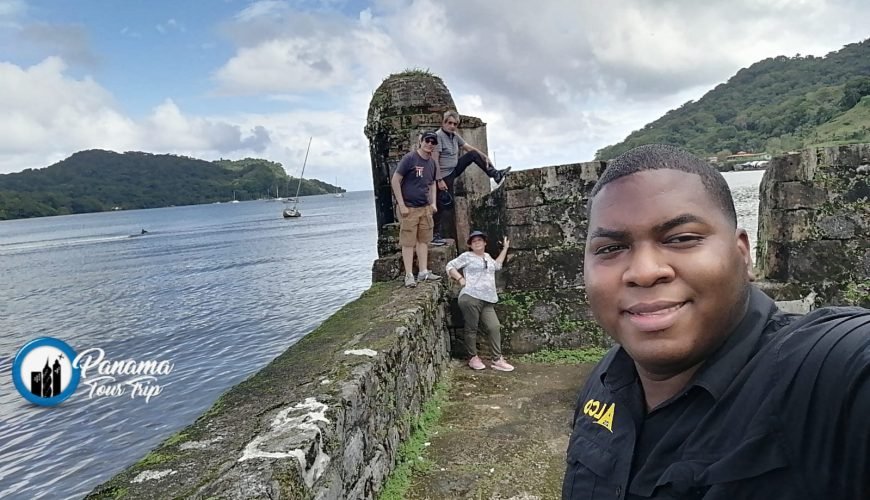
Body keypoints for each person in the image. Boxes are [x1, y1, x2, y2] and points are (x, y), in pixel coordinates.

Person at [563, 144, 869, 499]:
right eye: (611, 248)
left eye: (682, 239)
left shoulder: (823, 375)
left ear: (742, 253)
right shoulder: (604, 382)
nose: (644, 272)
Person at [432, 110, 512, 244]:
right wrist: (439, 180)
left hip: (454, 169)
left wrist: (484, 156)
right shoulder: (438, 136)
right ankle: (435, 235)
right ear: (444, 123)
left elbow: (468, 148)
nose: (452, 126)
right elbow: (434, 160)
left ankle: (495, 174)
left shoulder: (454, 136)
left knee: (473, 155)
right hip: (444, 175)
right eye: (449, 123)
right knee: (445, 205)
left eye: (455, 124)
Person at [445, 230, 515, 372]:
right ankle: (473, 357)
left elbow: (497, 266)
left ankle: (497, 359)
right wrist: (460, 279)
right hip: (471, 296)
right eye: (474, 241)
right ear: (470, 245)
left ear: (485, 243)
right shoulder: (467, 256)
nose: (477, 243)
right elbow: (450, 266)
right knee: (472, 327)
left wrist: (505, 248)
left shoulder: (488, 257)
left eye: (479, 240)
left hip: (487, 298)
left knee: (494, 327)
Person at [391, 131, 443, 288]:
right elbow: (395, 180)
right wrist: (401, 204)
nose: (430, 144)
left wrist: (433, 203)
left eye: (433, 141)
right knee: (408, 242)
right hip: (409, 208)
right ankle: (408, 275)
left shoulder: (432, 163)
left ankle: (423, 272)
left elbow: (432, 183)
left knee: (423, 241)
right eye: (427, 140)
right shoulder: (410, 158)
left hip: (425, 208)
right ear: (421, 141)